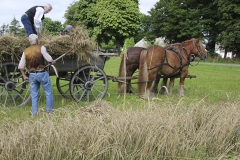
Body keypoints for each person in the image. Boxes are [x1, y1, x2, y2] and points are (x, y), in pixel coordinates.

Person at [18, 34, 55, 116]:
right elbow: (49, 59)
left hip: (32, 75)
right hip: (42, 73)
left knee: (34, 95)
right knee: (48, 93)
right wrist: (52, 61)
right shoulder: (41, 48)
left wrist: (24, 76)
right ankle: (50, 112)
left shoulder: (26, 51)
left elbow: (20, 66)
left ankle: (34, 114)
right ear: (37, 40)